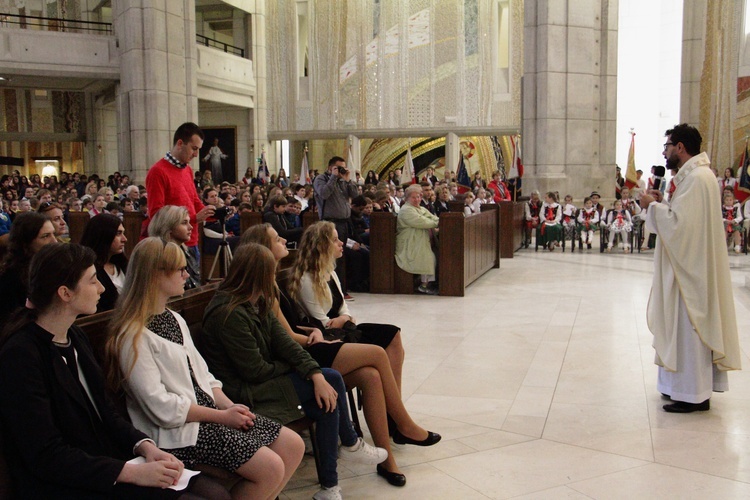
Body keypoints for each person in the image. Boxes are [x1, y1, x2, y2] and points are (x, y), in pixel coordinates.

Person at [0, 243, 231, 499]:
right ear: (65, 293)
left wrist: (145, 446)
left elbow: (106, 411)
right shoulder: (21, 354)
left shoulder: (74, 336)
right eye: (92, 281)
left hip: (104, 461)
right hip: (66, 481)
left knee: (215, 493)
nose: (101, 288)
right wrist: (131, 473)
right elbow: (45, 453)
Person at [106, 238, 304, 499]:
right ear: (155, 275)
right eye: (180, 269)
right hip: (177, 434)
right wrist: (222, 417)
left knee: (292, 445)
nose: (186, 274)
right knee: (270, 467)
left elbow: (204, 376)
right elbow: (160, 406)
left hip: (209, 415)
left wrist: (229, 406)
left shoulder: (173, 318)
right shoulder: (132, 334)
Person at [201, 242, 388, 500]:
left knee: (326, 392)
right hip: (245, 391)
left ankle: (330, 486)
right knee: (330, 383)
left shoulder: (256, 302)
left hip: (263, 380)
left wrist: (314, 374)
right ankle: (350, 444)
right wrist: (303, 372)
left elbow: (286, 344)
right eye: (271, 270)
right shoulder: (229, 313)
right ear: (258, 275)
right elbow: (254, 371)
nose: (275, 276)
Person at [639, 123, 741, 413]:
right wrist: (661, 205)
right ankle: (682, 389)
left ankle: (692, 395)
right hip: (689, 265)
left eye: (667, 147)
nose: (665, 152)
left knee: (688, 327)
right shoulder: (696, 176)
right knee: (684, 327)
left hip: (689, 272)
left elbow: (679, 226)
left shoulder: (697, 178)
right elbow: (683, 218)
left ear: (680, 148)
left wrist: (651, 206)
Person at [146, 122, 216, 260]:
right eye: (194, 148)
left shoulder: (187, 170)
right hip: (172, 245)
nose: (196, 154)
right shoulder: (158, 172)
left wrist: (215, 213)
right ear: (180, 143)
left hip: (192, 241)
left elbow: (194, 201)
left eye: (198, 149)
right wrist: (195, 218)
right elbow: (157, 215)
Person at [0, 212, 57, 323]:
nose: (54, 241)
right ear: (26, 242)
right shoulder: (12, 278)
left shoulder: (49, 267)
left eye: (53, 234)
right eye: (45, 236)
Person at [396, 185, 440, 294]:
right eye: (414, 197)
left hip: (419, 241)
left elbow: (432, 217)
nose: (417, 199)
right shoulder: (406, 210)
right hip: (409, 243)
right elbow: (422, 222)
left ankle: (430, 283)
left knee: (434, 255)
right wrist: (439, 222)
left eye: (419, 197)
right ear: (407, 198)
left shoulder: (420, 208)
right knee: (428, 257)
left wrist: (440, 220)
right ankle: (424, 285)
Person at [79, 214, 128, 312]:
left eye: (123, 233)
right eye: (118, 233)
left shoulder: (123, 264)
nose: (124, 239)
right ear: (103, 235)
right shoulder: (88, 269)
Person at [149, 205, 201, 288]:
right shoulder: (160, 255)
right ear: (168, 227)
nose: (190, 227)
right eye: (184, 223)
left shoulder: (189, 252)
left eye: (189, 222)